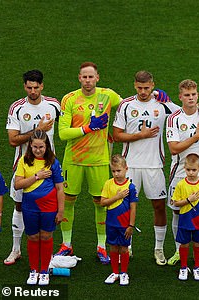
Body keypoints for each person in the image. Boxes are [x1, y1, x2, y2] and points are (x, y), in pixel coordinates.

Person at [112, 71, 180, 265]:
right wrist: (140, 135)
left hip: (154, 165)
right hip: (130, 166)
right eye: (140, 88)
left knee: (158, 206)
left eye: (147, 88)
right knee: (125, 206)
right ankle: (127, 245)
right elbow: (117, 135)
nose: (143, 92)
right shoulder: (126, 105)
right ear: (135, 85)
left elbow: (186, 110)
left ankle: (158, 249)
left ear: (153, 85)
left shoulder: (163, 104)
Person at [56, 62, 121, 263]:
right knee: (67, 201)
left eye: (91, 77)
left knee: (101, 203)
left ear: (97, 78)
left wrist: (157, 97)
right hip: (73, 160)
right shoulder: (70, 99)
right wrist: (87, 128)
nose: (87, 80)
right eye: (84, 77)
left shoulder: (108, 95)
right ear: (79, 78)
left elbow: (133, 102)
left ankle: (102, 247)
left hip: (99, 161)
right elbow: (63, 133)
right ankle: (66, 244)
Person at [5, 69, 60, 265]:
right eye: (29, 87)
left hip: (49, 168)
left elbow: (71, 122)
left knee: (49, 207)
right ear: (24, 87)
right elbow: (13, 140)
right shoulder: (17, 108)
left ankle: (47, 253)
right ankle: (15, 249)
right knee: (19, 205)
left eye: (36, 87)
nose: (33, 91)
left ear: (42, 86)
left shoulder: (54, 105)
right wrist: (38, 130)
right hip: (24, 165)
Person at [166, 79, 199, 266]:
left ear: (198, 95)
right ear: (180, 97)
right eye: (187, 95)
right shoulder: (174, 118)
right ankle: (179, 250)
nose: (191, 98)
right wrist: (197, 137)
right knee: (177, 212)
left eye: (194, 94)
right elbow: (173, 148)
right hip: (178, 173)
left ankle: (198, 253)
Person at [14, 130, 64, 285]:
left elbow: (60, 188)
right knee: (33, 237)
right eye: (35, 147)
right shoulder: (24, 161)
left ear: (46, 146)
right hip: (30, 207)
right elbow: (17, 185)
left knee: (46, 237)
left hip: (49, 207)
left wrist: (61, 211)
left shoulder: (53, 162)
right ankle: (34, 270)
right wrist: (37, 176)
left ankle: (44, 271)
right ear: (30, 145)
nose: (38, 150)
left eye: (41, 147)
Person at [171, 153, 199, 281]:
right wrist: (189, 200)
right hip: (185, 220)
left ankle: (197, 267)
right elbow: (176, 203)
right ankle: (183, 267)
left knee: (198, 244)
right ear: (184, 168)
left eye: (194, 170)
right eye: (188, 170)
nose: (191, 172)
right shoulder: (181, 184)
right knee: (184, 244)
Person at [100, 154, 138, 286]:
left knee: (124, 248)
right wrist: (117, 196)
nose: (116, 174)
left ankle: (124, 273)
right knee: (113, 247)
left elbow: (133, 208)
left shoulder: (131, 187)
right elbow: (103, 202)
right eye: (113, 171)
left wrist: (131, 225)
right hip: (111, 224)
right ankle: (115, 272)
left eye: (119, 171)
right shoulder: (108, 184)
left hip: (124, 225)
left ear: (126, 168)